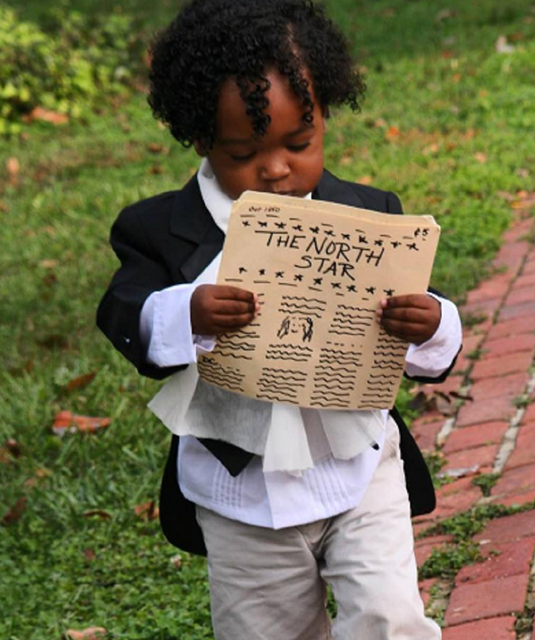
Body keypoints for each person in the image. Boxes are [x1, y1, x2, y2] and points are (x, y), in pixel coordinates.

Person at [97, 1, 462, 638]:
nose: (275, 169)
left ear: (326, 117)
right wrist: (188, 310)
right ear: (201, 138)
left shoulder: (369, 214)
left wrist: (428, 323)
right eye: (244, 152)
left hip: (359, 468)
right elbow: (124, 314)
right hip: (240, 494)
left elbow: (428, 347)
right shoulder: (159, 230)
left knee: (392, 617)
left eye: (300, 143)